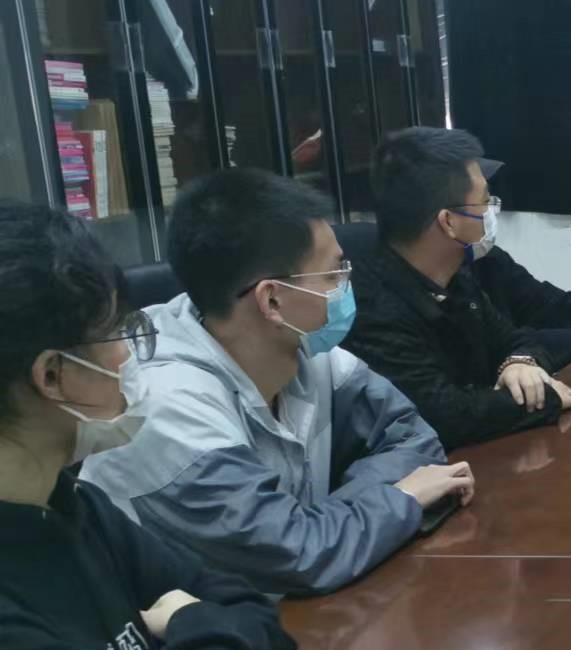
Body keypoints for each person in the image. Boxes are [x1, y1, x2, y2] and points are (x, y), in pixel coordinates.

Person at [0, 203, 296, 650]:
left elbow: (250, 606)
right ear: (52, 376)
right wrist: (194, 625)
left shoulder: (71, 506)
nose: (132, 353)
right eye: (118, 332)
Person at [81, 170, 472, 598]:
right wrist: (399, 500)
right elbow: (302, 555)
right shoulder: (167, 409)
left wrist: (337, 520)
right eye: (333, 274)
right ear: (271, 300)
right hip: (187, 632)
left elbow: (414, 439)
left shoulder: (303, 347)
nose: (346, 285)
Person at [347, 128, 571, 449]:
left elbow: (516, 339)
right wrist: (547, 398)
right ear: (449, 222)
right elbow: (446, 416)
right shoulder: (373, 306)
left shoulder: (457, 277)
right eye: (484, 201)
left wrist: (519, 363)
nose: (492, 210)